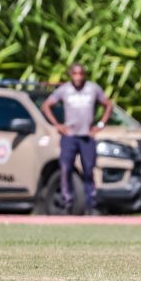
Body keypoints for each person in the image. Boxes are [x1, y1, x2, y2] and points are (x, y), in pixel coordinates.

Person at [42, 64, 113, 215]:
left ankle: (91, 204)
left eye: (81, 74)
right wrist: (57, 125)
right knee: (65, 169)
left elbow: (108, 105)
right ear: (70, 75)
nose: (78, 77)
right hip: (69, 136)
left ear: (84, 75)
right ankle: (67, 202)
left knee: (88, 170)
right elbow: (47, 105)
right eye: (75, 74)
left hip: (87, 136)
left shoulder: (92, 89)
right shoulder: (65, 90)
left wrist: (100, 125)